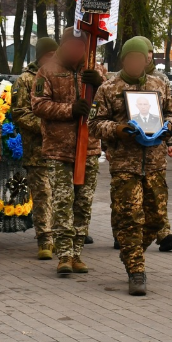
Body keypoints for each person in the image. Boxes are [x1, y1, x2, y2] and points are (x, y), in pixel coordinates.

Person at [92, 36, 172, 296]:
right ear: (123, 60)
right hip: (125, 164)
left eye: (139, 59)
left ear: (146, 60)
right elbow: (94, 123)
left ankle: (130, 252)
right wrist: (118, 129)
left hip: (155, 162)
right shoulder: (109, 88)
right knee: (130, 218)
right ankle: (136, 270)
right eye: (130, 59)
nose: (134, 63)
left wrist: (168, 127)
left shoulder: (159, 85)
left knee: (155, 220)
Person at [31, 30, 103, 276]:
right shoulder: (47, 71)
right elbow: (39, 105)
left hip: (89, 148)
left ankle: (78, 253)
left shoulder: (96, 70)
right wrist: (70, 109)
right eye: (70, 46)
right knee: (63, 203)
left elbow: (111, 105)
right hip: (58, 150)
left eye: (80, 47)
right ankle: (64, 255)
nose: (75, 51)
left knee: (83, 204)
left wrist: (100, 86)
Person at [11, 37, 58, 259]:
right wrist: (46, 127)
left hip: (61, 150)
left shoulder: (62, 76)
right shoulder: (26, 80)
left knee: (60, 194)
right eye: (48, 56)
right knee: (42, 196)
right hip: (36, 149)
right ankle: (45, 240)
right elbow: (19, 112)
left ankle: (60, 237)